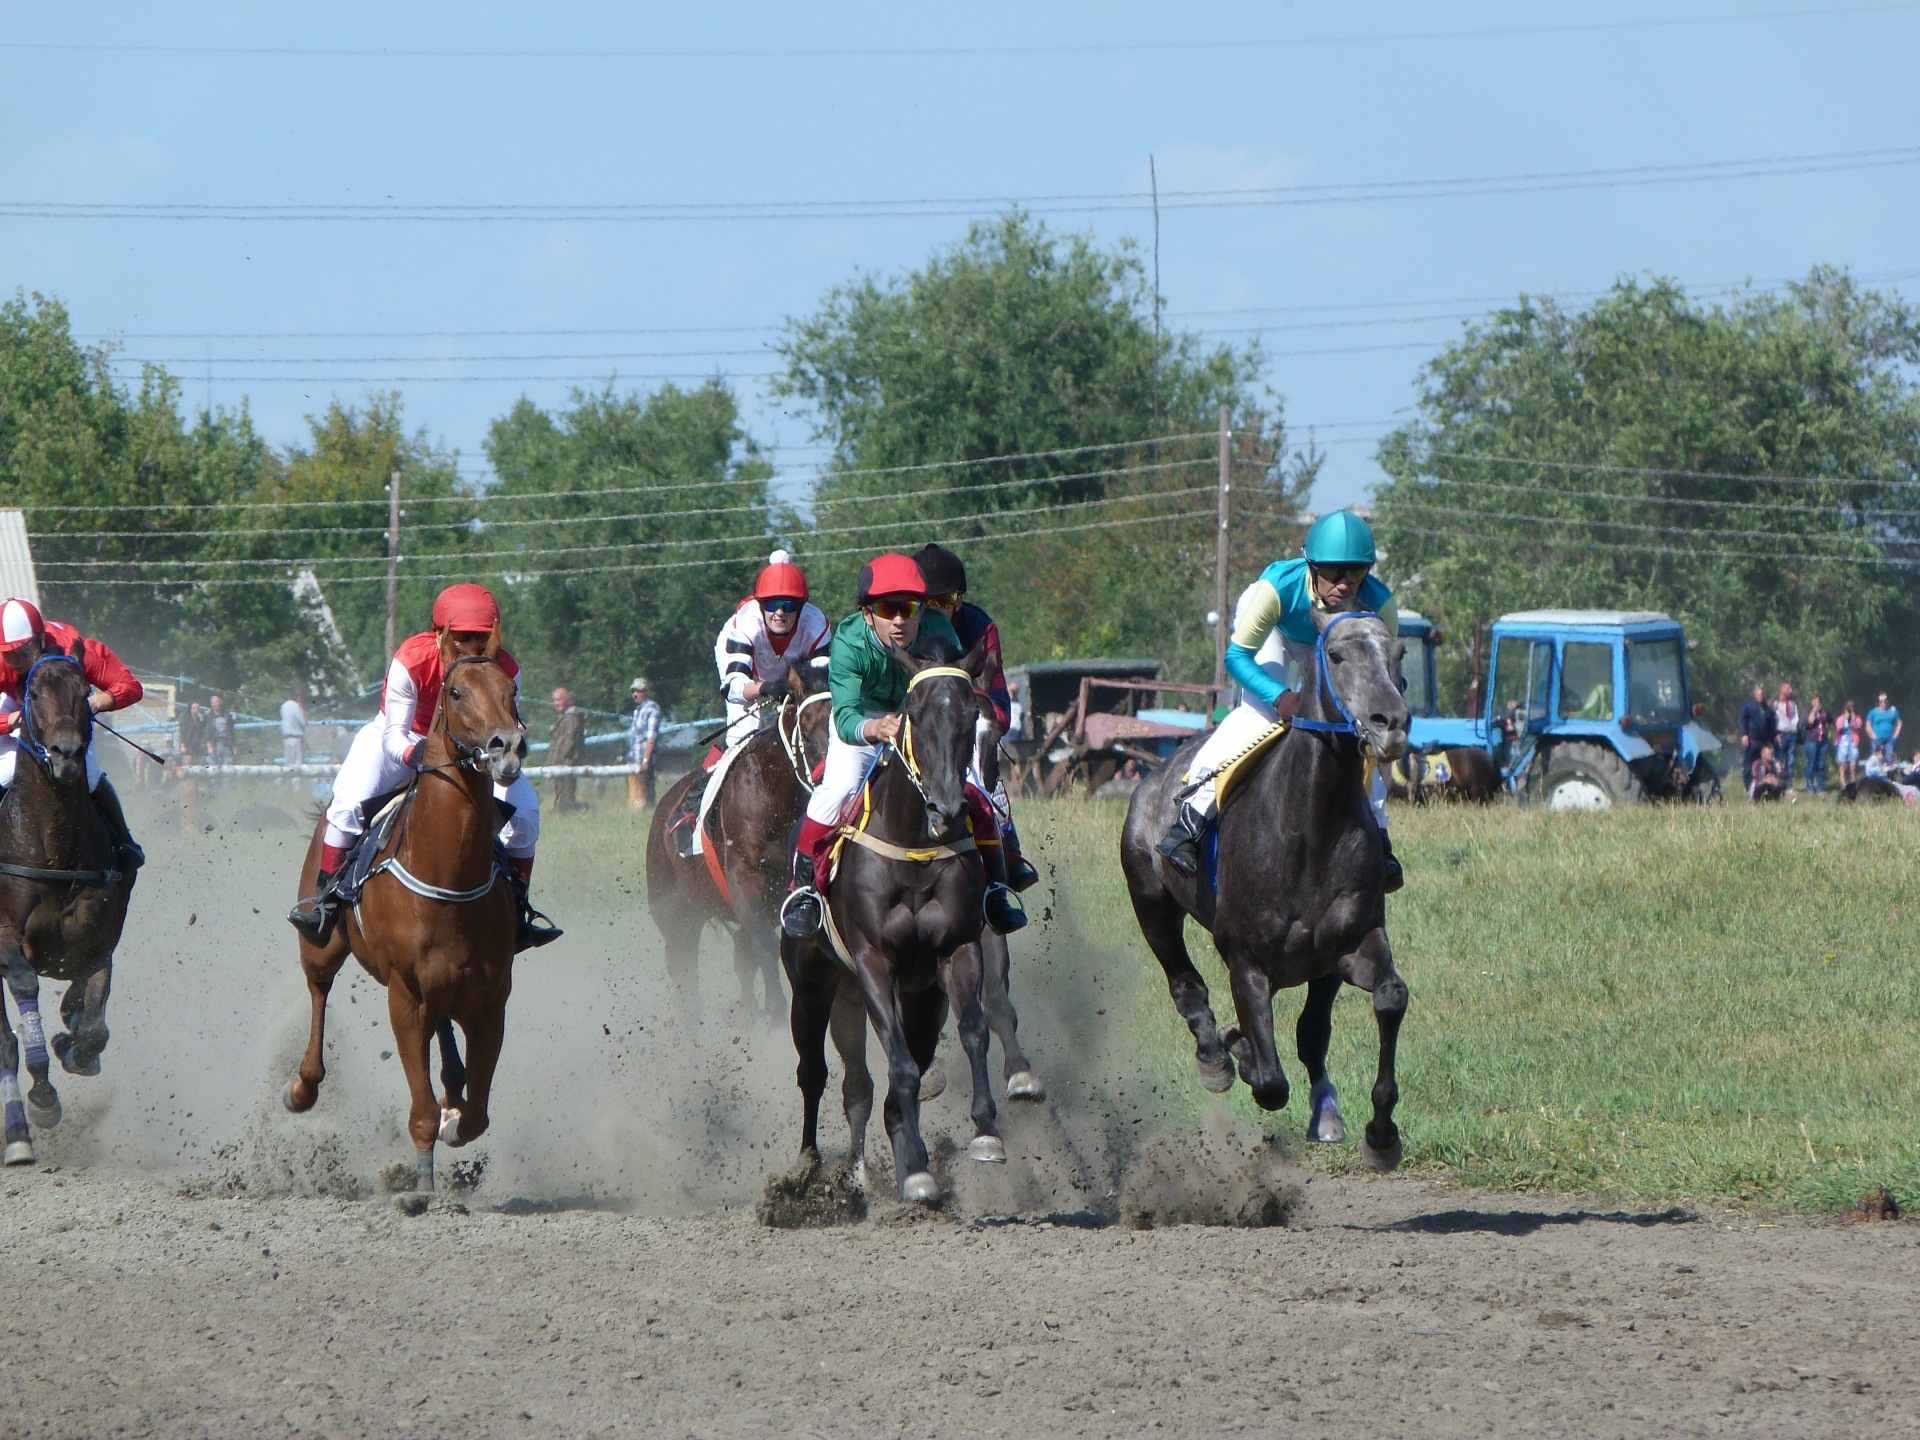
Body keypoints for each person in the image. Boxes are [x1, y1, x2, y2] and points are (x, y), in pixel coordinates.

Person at [288, 583, 559, 951]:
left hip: (471, 745)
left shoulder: (506, 669)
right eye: (462, 636)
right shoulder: (412, 660)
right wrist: (422, 755)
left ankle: (518, 912)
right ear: (440, 634)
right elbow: (393, 736)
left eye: (482, 637)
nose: (472, 646)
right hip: (405, 737)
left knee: (525, 811)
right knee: (348, 804)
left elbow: (508, 723)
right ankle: (325, 904)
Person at [779, 552, 1026, 940]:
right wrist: (875, 727)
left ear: (922, 609)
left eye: (908, 608)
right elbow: (844, 718)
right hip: (865, 719)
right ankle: (804, 891)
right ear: (867, 613)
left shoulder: (938, 627)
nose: (898, 620)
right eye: (887, 609)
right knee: (838, 790)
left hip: (922, 717)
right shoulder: (848, 642)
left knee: (974, 789)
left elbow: (952, 686)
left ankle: (995, 889)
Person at [1156, 510, 1403, 892]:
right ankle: (1190, 820)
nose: (1345, 583)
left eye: (1356, 572)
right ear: (1311, 566)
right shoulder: (1276, 589)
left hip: (1333, 640)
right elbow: (1236, 657)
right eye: (1333, 572)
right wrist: (1280, 696)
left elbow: (1385, 671)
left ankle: (1380, 838)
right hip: (1275, 628)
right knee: (1259, 717)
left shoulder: (1380, 603)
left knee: (1356, 730)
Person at [911, 543, 1039, 891]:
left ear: (959, 600)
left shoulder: (981, 628)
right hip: (916, 723)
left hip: (966, 720)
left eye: (942, 602)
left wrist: (988, 723)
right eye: (926, 603)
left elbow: (995, 696)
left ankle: (1006, 855)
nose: (933, 611)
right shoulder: (904, 625)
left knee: (984, 767)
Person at [0, 597, 147, 869]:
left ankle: (123, 841)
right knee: (6, 773)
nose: (16, 660)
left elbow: (131, 686)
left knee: (89, 777)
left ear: (40, 638)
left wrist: (97, 702)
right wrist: (9, 721)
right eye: (9, 654)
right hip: (16, 702)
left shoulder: (76, 649)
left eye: (22, 650)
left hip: (66, 712)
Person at [714, 550, 831, 751]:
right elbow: (731, 689)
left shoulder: (816, 627)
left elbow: (823, 688)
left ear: (801, 607)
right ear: (760, 605)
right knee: (744, 731)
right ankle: (716, 768)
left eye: (788, 605)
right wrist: (766, 687)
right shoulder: (745, 625)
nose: (779, 612)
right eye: (771, 604)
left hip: (789, 673)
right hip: (748, 673)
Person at [547, 686, 587, 811]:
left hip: (566, 763)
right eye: (554, 700)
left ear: (567, 700)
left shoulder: (571, 717)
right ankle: (562, 813)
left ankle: (570, 814)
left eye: (559, 699)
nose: (556, 703)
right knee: (559, 793)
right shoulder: (563, 717)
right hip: (558, 763)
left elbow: (569, 742)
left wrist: (559, 759)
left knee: (567, 796)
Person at [1737, 683, 1776, 791]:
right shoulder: (1748, 707)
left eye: (1762, 694)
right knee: (1749, 766)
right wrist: (1744, 734)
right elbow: (1743, 721)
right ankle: (1749, 788)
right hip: (1752, 742)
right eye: (1759, 694)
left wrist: (1774, 736)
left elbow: (1771, 724)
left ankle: (1764, 787)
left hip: (1764, 744)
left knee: (1765, 766)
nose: (1761, 696)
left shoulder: (1767, 709)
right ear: (1755, 694)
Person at [628, 677, 660, 809]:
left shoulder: (652, 709)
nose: (635, 694)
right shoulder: (637, 711)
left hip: (644, 762)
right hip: (634, 761)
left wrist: (646, 760)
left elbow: (651, 737)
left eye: (639, 691)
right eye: (633, 691)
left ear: (646, 692)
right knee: (634, 797)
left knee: (646, 797)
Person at [1773, 682, 1800, 790]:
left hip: (1791, 735)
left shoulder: (1792, 704)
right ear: (1781, 689)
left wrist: (1794, 729)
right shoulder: (1776, 704)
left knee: (1790, 761)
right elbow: (1772, 719)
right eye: (1788, 688)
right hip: (1781, 735)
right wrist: (1775, 733)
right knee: (1779, 761)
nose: (1790, 690)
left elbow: (1795, 718)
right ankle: (1778, 785)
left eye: (1790, 688)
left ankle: (1788, 786)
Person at [1803, 692, 1831, 795]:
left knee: (1821, 764)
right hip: (1811, 741)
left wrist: (1827, 731)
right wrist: (1814, 711)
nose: (1816, 702)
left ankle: (1820, 788)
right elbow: (1809, 722)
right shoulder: (1808, 711)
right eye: (1814, 700)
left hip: (1823, 741)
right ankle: (1809, 787)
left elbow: (1830, 721)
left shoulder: (1824, 712)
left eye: (1818, 701)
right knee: (1811, 763)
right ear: (1811, 701)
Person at [1834, 699, 1864, 789]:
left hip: (1853, 741)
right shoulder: (1840, 718)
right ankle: (1843, 781)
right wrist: (1845, 719)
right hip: (1843, 741)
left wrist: (1853, 719)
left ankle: (1853, 781)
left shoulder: (1857, 718)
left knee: (1853, 763)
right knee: (1843, 762)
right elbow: (1838, 728)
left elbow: (1858, 727)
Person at [1866, 691, 1902, 765]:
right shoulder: (1873, 712)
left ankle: (1888, 771)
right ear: (1879, 702)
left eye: (1886, 700)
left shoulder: (1893, 711)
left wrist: (1896, 735)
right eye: (1882, 701)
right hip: (1877, 738)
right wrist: (1873, 736)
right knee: (1876, 759)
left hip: (1890, 739)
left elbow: (1899, 723)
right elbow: (1868, 725)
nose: (1884, 702)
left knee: (1889, 758)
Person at [280, 686, 308, 769]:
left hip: (286, 738)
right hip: (296, 738)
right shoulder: (296, 707)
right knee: (297, 765)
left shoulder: (284, 706)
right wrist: (303, 710)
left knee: (287, 764)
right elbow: (303, 723)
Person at [206, 694, 236, 770]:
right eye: (213, 702)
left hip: (227, 744)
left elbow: (231, 732)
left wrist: (234, 746)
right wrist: (209, 746)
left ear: (221, 702)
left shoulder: (227, 715)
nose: (215, 704)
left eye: (216, 702)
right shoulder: (209, 716)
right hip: (215, 744)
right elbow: (206, 732)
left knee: (228, 769)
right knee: (214, 769)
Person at [176, 699, 205, 773]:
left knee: (194, 765)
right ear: (190, 708)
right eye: (194, 708)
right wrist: (182, 745)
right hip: (187, 745)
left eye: (197, 708)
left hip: (195, 746)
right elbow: (182, 731)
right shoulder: (185, 717)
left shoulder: (198, 719)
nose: (196, 710)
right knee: (187, 764)